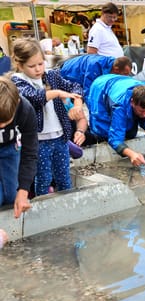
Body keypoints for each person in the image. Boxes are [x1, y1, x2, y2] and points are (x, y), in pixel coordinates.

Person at [11, 38, 85, 196]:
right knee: (43, 178)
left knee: (64, 176)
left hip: (60, 136)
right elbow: (34, 98)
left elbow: (75, 87)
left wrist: (77, 104)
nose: (38, 69)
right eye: (32, 66)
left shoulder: (51, 75)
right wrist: (57, 93)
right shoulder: (17, 81)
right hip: (38, 140)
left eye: (40, 63)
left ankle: (67, 205)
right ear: (20, 64)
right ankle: (43, 209)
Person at [87, 74, 145, 167]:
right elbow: (114, 139)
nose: (144, 115)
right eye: (141, 111)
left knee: (130, 134)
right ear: (132, 102)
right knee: (102, 133)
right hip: (100, 87)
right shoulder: (120, 105)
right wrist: (131, 154)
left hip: (122, 83)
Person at [0, 77, 38, 219]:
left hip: (10, 149)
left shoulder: (25, 110)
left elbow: (30, 153)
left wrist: (23, 191)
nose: (2, 126)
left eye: (5, 121)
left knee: (12, 195)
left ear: (17, 103)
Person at [59, 54, 132, 98]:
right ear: (116, 69)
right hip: (67, 73)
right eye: (125, 74)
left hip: (79, 76)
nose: (126, 77)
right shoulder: (95, 66)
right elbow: (88, 91)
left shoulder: (113, 64)